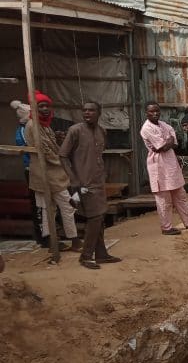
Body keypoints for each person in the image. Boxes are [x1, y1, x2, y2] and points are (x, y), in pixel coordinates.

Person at [60, 101, 122, 270]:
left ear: (99, 112)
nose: (87, 113)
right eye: (85, 110)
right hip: (83, 184)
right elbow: (63, 156)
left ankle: (101, 254)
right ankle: (86, 256)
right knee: (95, 217)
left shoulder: (102, 131)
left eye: (91, 110)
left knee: (99, 217)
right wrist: (73, 180)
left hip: (98, 182)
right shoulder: (75, 131)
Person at [24, 91, 82, 251]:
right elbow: (46, 152)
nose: (45, 109)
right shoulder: (33, 125)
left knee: (52, 208)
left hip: (50, 173)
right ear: (33, 109)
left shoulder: (43, 125)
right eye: (41, 106)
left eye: (47, 106)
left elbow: (51, 147)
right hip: (47, 173)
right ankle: (68, 240)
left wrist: (57, 142)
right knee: (58, 207)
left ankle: (58, 241)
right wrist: (64, 163)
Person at [140, 102, 188, 235]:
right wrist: (168, 141)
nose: (155, 113)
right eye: (151, 111)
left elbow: (174, 143)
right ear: (146, 113)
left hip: (171, 162)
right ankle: (166, 227)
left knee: (180, 194)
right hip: (158, 165)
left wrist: (169, 142)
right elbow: (161, 147)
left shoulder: (164, 125)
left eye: (157, 111)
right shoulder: (146, 128)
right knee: (164, 199)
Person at [11, 100, 44, 244]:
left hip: (34, 168)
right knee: (38, 203)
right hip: (32, 169)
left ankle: (43, 235)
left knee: (39, 203)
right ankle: (42, 237)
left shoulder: (25, 129)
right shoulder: (25, 130)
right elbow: (32, 147)